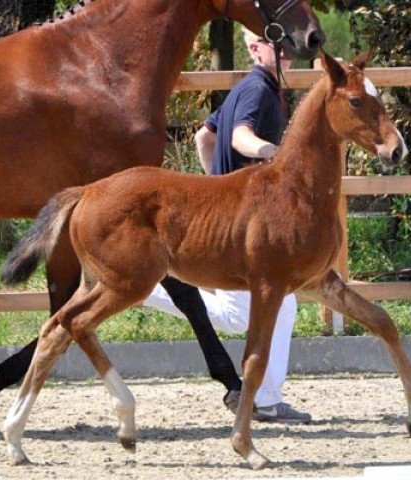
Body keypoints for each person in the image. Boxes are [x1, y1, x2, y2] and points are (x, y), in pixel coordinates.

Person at [143, 28, 311, 424]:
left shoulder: (249, 86)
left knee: (273, 305)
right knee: (267, 307)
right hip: (247, 224)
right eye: (276, 44)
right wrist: (273, 154)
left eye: (288, 45)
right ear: (254, 49)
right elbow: (239, 137)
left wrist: (216, 188)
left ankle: (141, 289)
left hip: (232, 216)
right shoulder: (258, 89)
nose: (286, 51)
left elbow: (205, 137)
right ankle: (265, 402)